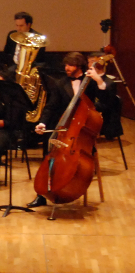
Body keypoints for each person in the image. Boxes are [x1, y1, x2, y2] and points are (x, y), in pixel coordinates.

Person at [28, 52, 110, 207]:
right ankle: (41, 195)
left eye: (70, 65)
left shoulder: (91, 83)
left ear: (80, 67)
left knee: (78, 160)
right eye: (66, 65)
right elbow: (51, 107)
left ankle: (72, 187)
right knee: (49, 152)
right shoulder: (60, 83)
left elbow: (106, 102)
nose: (67, 68)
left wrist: (99, 81)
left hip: (83, 132)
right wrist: (42, 123)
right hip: (64, 128)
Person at [87, 52, 122, 139]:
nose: (91, 64)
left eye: (93, 61)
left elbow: (107, 103)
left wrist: (91, 108)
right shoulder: (87, 80)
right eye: (89, 62)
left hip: (103, 115)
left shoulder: (110, 83)